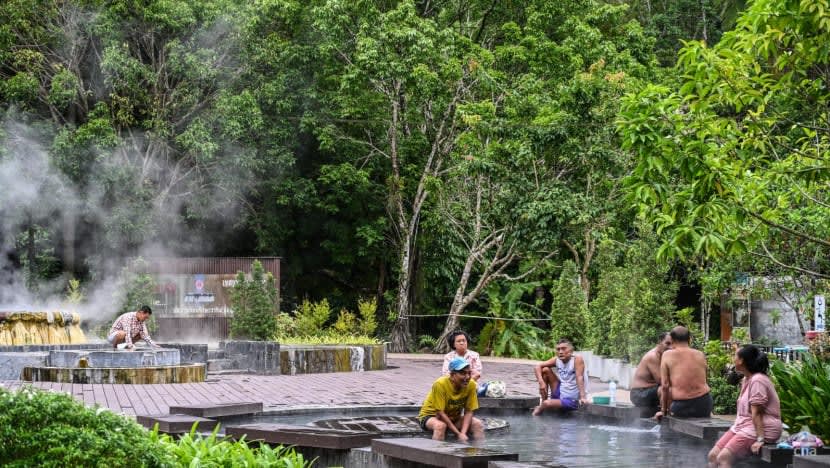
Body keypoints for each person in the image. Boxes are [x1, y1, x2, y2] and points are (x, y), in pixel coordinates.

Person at [707, 345, 782, 468]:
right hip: (744, 426)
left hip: (764, 428)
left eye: (735, 355)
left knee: (724, 458)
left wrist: (760, 439)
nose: (733, 358)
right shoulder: (747, 379)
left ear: (741, 360)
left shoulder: (758, 380)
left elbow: (757, 413)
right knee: (713, 455)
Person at [419, 357, 484, 442]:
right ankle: (436, 450)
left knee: (477, 424)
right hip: (431, 417)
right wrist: (458, 434)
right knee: (440, 426)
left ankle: (478, 449)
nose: (467, 377)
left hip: (453, 418)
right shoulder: (440, 384)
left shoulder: (471, 385)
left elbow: (469, 411)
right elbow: (440, 413)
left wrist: (463, 433)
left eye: (469, 373)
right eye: (463, 373)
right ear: (452, 375)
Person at [655, 326, 712, 421]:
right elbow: (705, 379)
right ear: (690, 339)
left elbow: (665, 386)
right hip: (704, 402)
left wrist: (664, 411)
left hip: (682, 406)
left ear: (672, 340)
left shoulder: (667, 355)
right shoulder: (700, 354)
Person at [532, 338, 590, 415]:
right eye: (558, 349)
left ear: (571, 351)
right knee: (545, 370)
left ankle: (540, 409)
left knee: (547, 404)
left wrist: (583, 398)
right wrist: (541, 383)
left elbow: (579, 377)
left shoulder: (577, 359)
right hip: (560, 392)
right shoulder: (557, 360)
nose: (560, 352)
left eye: (563, 349)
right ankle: (543, 401)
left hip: (572, 400)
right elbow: (537, 366)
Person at [630, 332, 672, 408]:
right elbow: (662, 381)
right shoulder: (652, 356)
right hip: (638, 394)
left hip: (651, 390)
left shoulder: (664, 355)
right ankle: (665, 413)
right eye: (667, 343)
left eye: (673, 344)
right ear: (659, 342)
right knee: (666, 389)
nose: (670, 347)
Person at [441, 330, 485, 395]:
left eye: (464, 340)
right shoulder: (448, 357)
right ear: (453, 344)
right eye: (459, 341)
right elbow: (446, 374)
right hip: (453, 386)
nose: (462, 343)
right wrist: (458, 384)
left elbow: (477, 374)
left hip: (470, 385)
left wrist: (465, 383)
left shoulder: (475, 355)